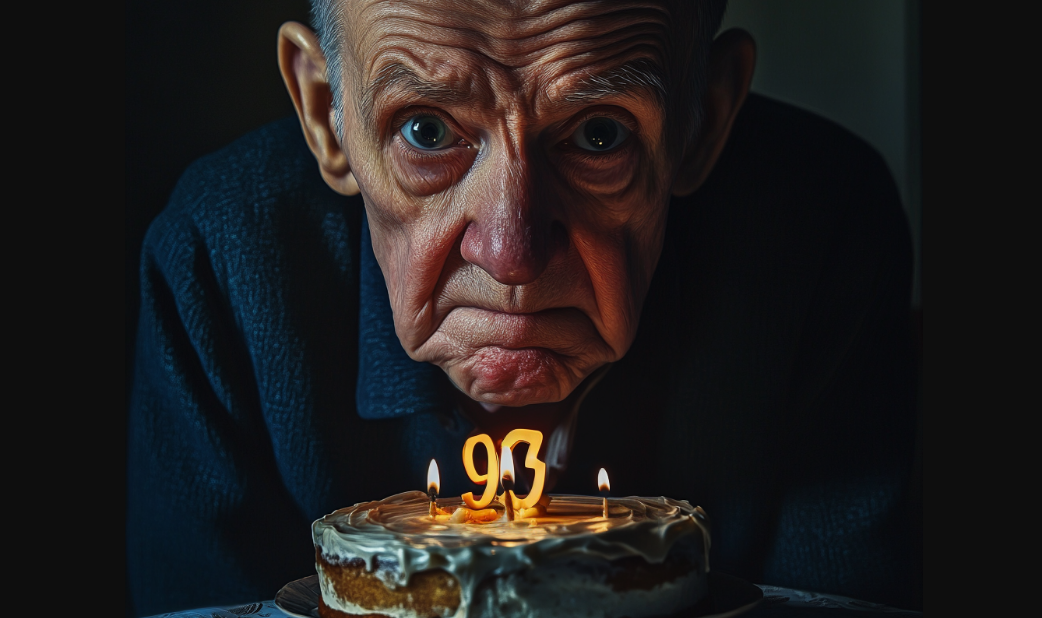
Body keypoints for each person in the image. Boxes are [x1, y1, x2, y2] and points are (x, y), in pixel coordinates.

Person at [127, 0, 919, 614]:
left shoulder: (820, 234)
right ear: (328, 113)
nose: (510, 254)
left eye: (599, 134)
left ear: (701, 120)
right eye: (428, 129)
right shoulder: (222, 262)